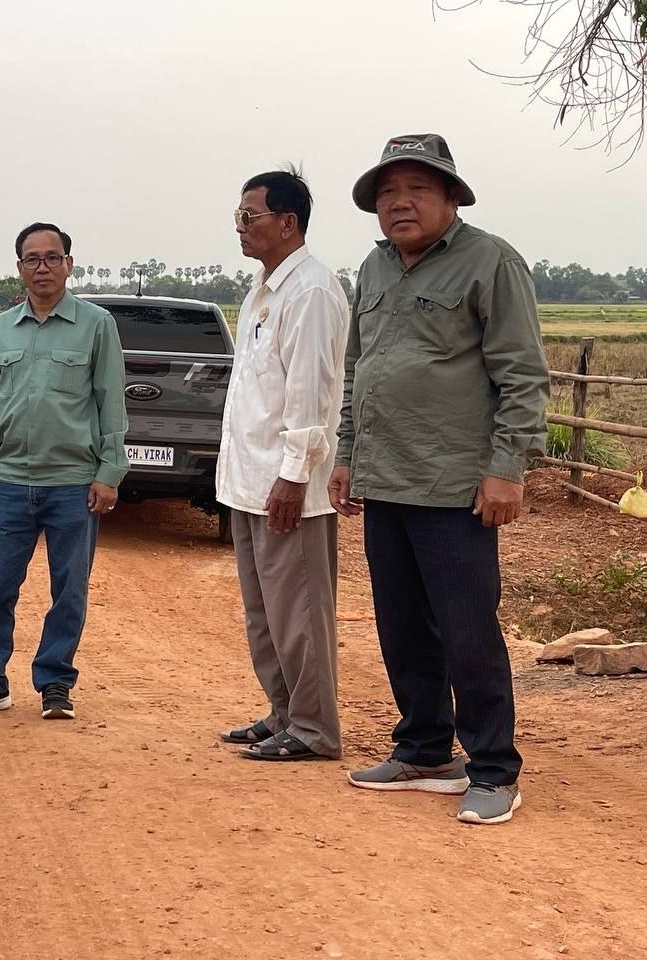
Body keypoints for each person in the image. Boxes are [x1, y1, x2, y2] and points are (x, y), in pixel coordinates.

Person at [329, 134, 549, 824]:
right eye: (388, 192)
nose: (400, 203)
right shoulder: (373, 267)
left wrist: (506, 469)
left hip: (454, 483)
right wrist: (346, 453)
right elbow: (358, 369)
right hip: (385, 477)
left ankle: (494, 769)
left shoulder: (491, 261)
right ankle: (425, 750)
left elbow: (522, 374)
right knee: (401, 626)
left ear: (452, 196)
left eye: (417, 189)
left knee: (467, 630)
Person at [0, 222, 128, 720]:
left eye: (53, 258)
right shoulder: (0, 330)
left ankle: (55, 683)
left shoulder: (96, 325)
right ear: (19, 267)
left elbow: (110, 403)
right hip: (12, 481)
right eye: (32, 259)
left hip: (73, 483)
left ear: (69, 265)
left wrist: (109, 471)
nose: (43, 267)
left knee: (68, 591)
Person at [214, 170, 349, 762]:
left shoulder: (311, 291)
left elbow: (310, 394)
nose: (240, 227)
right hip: (247, 482)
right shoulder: (263, 292)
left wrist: (294, 476)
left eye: (250, 216)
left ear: (288, 222)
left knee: (299, 615)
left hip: (285, 484)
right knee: (264, 613)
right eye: (239, 216)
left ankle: (315, 729)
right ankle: (284, 713)